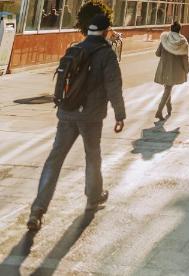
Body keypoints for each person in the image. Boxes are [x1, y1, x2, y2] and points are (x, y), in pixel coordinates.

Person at [27, 13, 126, 232]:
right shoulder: (106, 54)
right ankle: (93, 197)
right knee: (92, 156)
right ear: (106, 31)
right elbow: (113, 86)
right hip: (90, 117)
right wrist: (120, 114)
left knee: (55, 159)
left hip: (66, 113)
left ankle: (37, 210)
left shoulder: (75, 49)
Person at [154, 21, 189, 120]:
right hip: (175, 70)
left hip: (164, 67)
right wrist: (187, 68)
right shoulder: (183, 41)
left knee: (167, 88)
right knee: (168, 89)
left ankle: (169, 108)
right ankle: (159, 111)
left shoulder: (164, 39)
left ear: (171, 29)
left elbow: (157, 53)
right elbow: (184, 57)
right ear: (179, 30)